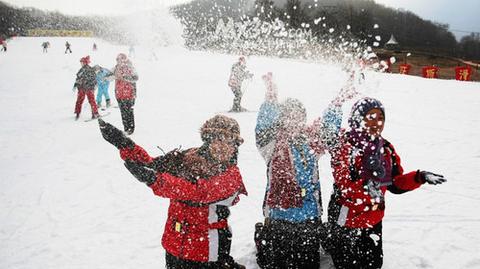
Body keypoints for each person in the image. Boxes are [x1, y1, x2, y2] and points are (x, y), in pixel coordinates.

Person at [97, 115, 248, 269]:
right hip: (175, 243)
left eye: (230, 142)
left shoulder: (231, 176)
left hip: (207, 251)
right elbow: (153, 165)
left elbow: (197, 192)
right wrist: (124, 144)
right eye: (219, 140)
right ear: (208, 140)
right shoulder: (189, 157)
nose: (223, 146)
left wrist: (154, 179)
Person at [322, 97, 447, 269]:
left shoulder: (385, 148)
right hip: (346, 220)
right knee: (347, 265)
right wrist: (370, 192)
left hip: (373, 220)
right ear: (358, 119)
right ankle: (328, 237)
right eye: (370, 117)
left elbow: (395, 184)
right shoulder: (346, 146)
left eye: (380, 117)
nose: (377, 122)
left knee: (373, 264)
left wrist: (419, 177)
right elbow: (345, 186)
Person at [253, 72, 352, 268]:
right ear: (281, 119)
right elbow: (263, 125)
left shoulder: (311, 143)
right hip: (278, 218)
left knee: (306, 263)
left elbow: (329, 130)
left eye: (298, 116)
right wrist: (271, 97)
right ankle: (262, 237)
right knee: (275, 264)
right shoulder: (271, 144)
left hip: (308, 218)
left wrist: (337, 103)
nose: (293, 120)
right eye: (288, 116)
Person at [113, 53, 138, 135]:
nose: (119, 61)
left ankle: (131, 128)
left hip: (129, 94)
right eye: (117, 60)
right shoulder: (116, 68)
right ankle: (126, 128)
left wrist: (124, 77)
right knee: (123, 112)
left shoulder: (130, 67)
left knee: (129, 111)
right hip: (119, 94)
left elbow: (135, 78)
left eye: (120, 59)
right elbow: (109, 75)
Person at [73, 56, 99, 120]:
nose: (81, 64)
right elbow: (78, 78)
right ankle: (78, 112)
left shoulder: (89, 69)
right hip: (82, 88)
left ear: (85, 62)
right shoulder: (81, 70)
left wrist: (90, 85)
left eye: (82, 62)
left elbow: (93, 79)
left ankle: (94, 113)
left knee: (90, 101)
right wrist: (76, 84)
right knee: (81, 100)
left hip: (88, 88)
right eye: (81, 62)